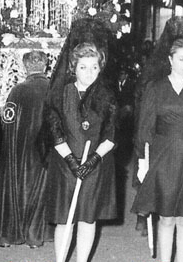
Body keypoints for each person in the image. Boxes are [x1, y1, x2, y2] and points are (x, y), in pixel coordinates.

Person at [133, 39, 183, 262]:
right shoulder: (155, 87)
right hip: (163, 155)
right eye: (181, 59)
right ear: (170, 59)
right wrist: (142, 161)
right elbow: (145, 125)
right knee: (167, 217)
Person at [45, 42, 117, 262]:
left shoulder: (107, 96)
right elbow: (54, 130)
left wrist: (92, 160)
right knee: (65, 219)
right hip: (66, 164)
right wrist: (72, 161)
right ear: (73, 68)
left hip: (96, 165)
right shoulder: (61, 93)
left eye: (94, 67)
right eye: (83, 67)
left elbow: (111, 135)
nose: (89, 72)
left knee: (88, 218)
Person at [0, 50, 52, 247]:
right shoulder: (53, 88)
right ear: (45, 66)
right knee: (40, 190)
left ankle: (9, 235)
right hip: (46, 150)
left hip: (19, 149)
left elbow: (7, 119)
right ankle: (35, 236)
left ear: (25, 66)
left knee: (16, 189)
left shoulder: (18, 90)